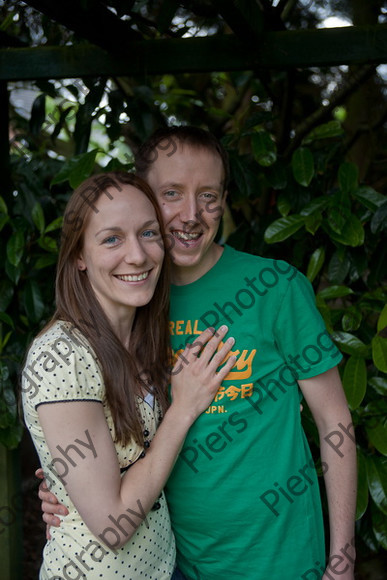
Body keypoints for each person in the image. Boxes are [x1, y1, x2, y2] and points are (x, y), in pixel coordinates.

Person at [38, 128, 357, 579]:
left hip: (280, 559)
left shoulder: (276, 287)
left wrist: (342, 558)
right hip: (174, 562)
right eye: (172, 194)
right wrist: (64, 489)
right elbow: (104, 436)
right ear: (145, 198)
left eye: (208, 195)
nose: (191, 215)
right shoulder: (133, 300)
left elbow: (335, 422)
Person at [22, 170, 237, 579]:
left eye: (149, 233)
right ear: (79, 256)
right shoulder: (63, 355)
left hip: (163, 567)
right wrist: (184, 407)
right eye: (112, 238)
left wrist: (62, 479)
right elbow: (113, 525)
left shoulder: (142, 339)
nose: (137, 255)